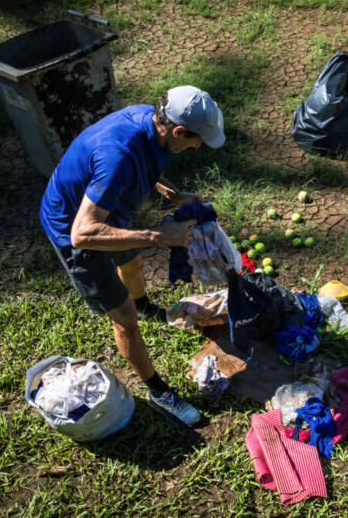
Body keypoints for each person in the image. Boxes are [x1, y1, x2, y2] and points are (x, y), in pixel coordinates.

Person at [39, 86, 225, 427]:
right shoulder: (119, 158)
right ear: (180, 130)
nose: (197, 147)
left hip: (107, 217)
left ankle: (143, 303)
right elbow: (83, 232)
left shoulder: (151, 120)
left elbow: (145, 162)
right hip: (74, 230)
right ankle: (158, 392)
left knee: (133, 260)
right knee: (124, 317)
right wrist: (158, 236)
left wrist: (172, 193)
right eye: (197, 140)